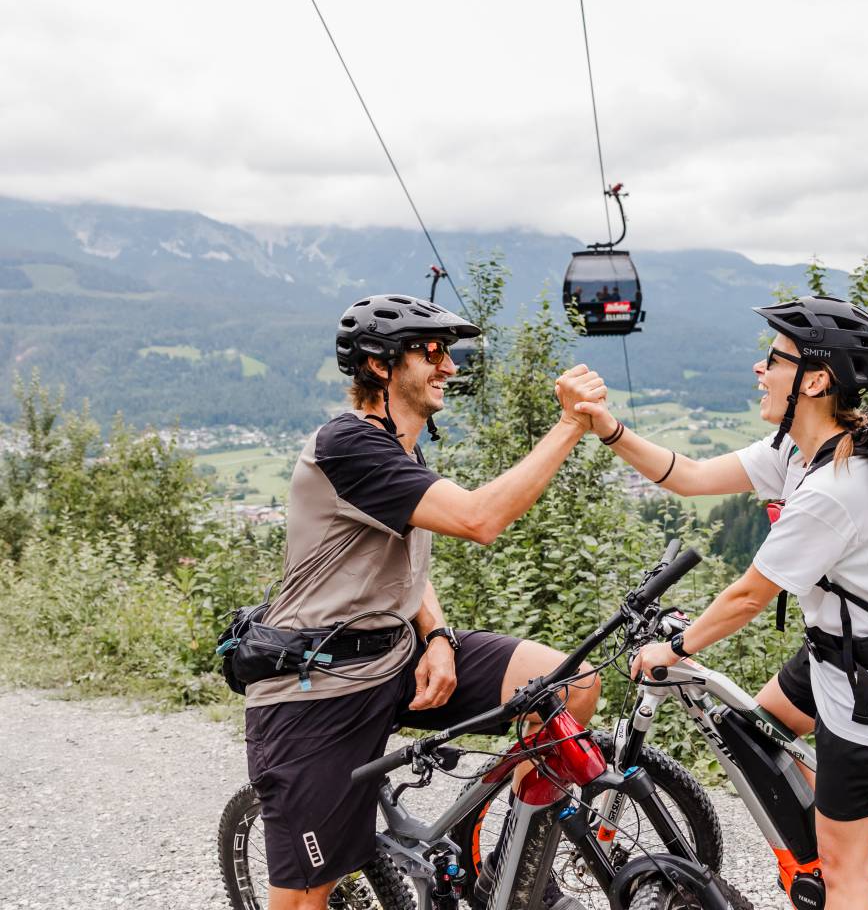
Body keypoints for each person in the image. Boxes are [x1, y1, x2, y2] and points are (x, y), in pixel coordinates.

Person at [577, 295, 868, 910]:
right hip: (837, 654)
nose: (759, 369)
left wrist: (674, 648)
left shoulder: (835, 488)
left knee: (843, 872)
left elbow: (749, 596)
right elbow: (688, 474)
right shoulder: (801, 452)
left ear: (818, 379)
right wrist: (607, 429)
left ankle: (839, 872)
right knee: (755, 730)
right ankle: (823, 832)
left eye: (774, 359)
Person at [246, 293, 607, 910]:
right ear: (380, 365)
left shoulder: (396, 447)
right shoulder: (347, 445)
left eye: (449, 353)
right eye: (431, 352)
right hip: (318, 688)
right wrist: (571, 423)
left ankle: (512, 873)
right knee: (305, 898)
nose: (449, 367)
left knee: (566, 687)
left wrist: (436, 636)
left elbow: (405, 561)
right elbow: (478, 518)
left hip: (394, 655)